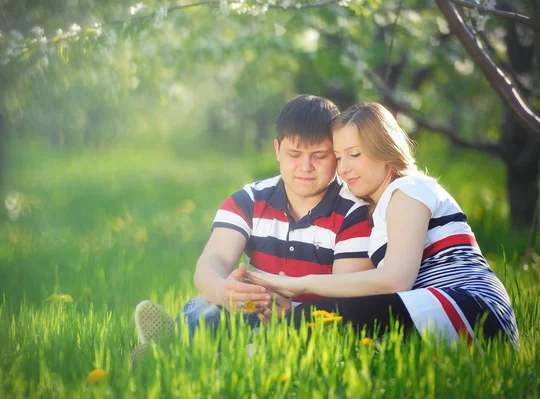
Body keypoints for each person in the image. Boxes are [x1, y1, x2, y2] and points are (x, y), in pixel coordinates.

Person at [246, 102, 519, 347]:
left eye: (355, 154)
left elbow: (395, 280)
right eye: (339, 158)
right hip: (436, 308)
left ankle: (252, 357)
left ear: (385, 149)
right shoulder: (380, 208)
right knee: (323, 323)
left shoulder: (409, 189)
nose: (344, 169)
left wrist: (301, 284)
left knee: (313, 319)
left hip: (475, 309)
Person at [132, 95, 373, 368]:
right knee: (205, 307)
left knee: (270, 347)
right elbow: (212, 262)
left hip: (314, 321)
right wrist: (224, 291)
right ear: (277, 150)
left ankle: (174, 351)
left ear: (337, 155)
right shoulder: (249, 200)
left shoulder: (354, 213)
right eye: (294, 154)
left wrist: (292, 312)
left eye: (319, 156)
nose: (306, 167)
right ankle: (181, 351)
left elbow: (348, 299)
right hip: (254, 307)